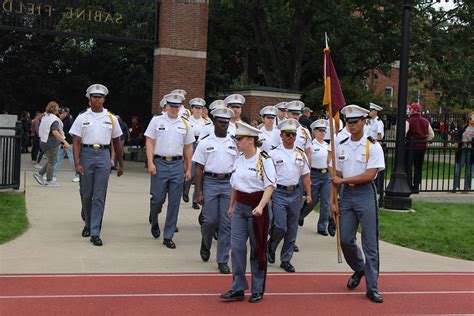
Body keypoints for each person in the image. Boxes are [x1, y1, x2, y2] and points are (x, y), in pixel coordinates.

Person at [330, 104, 385, 304]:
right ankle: (359, 268)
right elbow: (336, 174)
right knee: (345, 239)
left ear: (364, 122)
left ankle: (372, 287)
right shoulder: (342, 144)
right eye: (348, 122)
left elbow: (370, 174)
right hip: (346, 195)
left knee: (370, 243)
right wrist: (332, 199)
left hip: (365, 194)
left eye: (355, 122)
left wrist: (341, 182)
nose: (351, 126)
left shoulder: (373, 145)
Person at [220, 122, 276, 303]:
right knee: (236, 248)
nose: (237, 142)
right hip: (240, 207)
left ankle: (258, 289)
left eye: (240, 139)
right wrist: (231, 205)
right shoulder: (239, 159)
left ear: (251, 140)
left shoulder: (264, 159)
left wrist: (260, 206)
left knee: (257, 248)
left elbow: (269, 186)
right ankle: (238, 287)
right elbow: (235, 185)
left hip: (257, 208)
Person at [69, 84, 124, 246]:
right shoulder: (82, 117)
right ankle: (87, 223)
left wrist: (121, 164)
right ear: (89, 99)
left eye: (100, 97)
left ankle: (95, 231)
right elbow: (76, 142)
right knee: (86, 195)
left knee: (99, 195)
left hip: (103, 156)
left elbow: (117, 142)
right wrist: (77, 163)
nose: (97, 99)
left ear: (104, 99)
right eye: (94, 97)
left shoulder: (111, 118)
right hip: (86, 155)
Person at [145, 93, 194, 249]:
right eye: (171, 106)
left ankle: (168, 235)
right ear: (165, 106)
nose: (174, 109)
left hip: (177, 165)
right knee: (157, 199)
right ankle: (154, 218)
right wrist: (150, 162)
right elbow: (150, 141)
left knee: (174, 202)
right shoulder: (157, 121)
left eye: (177, 106)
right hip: (160, 162)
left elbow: (188, 147)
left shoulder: (185, 124)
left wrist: (188, 168)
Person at [193, 107, 237, 274]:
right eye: (221, 122)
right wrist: (198, 192)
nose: (224, 125)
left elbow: (238, 166)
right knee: (209, 220)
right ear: (214, 122)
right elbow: (198, 168)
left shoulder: (234, 142)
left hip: (228, 183)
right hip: (210, 181)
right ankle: (206, 242)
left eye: (226, 122)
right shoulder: (205, 142)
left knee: (227, 223)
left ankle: (222, 259)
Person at [268, 119, 311, 273]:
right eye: (288, 134)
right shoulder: (273, 154)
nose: (291, 137)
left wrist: (309, 194)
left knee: (292, 228)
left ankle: (286, 259)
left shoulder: (300, 154)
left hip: (295, 193)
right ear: (281, 135)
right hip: (278, 192)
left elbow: (306, 175)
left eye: (293, 134)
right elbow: (267, 176)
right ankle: (271, 246)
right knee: (280, 225)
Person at [299, 119, 333, 236]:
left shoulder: (327, 145)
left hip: (326, 175)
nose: (323, 133)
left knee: (325, 201)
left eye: (324, 130)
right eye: (320, 130)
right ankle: (300, 215)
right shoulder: (312, 145)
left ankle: (322, 226)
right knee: (311, 201)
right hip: (314, 174)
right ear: (314, 131)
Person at [33, 102, 69, 187]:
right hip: (51, 143)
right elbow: (55, 132)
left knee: (51, 161)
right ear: (56, 109)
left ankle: (39, 174)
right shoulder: (54, 120)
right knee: (52, 162)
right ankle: (49, 180)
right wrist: (64, 141)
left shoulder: (45, 117)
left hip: (43, 142)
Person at [183, 98, 210, 209]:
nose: (198, 110)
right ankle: (185, 189)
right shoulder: (187, 121)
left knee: (200, 175)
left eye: (200, 108)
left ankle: (195, 200)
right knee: (192, 173)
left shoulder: (207, 122)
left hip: (202, 147)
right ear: (192, 109)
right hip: (191, 146)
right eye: (196, 108)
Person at [405, 103, 434, 193]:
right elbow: (432, 135)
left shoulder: (409, 121)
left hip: (411, 146)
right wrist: (425, 141)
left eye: (410, 109)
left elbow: (403, 133)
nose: (409, 111)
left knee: (408, 166)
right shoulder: (426, 121)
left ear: (413, 110)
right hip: (422, 147)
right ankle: (416, 186)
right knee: (418, 167)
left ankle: (409, 185)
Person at [52, 107, 79, 182]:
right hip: (64, 142)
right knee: (58, 159)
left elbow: (69, 133)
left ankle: (78, 175)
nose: (60, 114)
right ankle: (52, 175)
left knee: (72, 160)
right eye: (59, 113)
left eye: (61, 113)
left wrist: (64, 142)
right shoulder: (64, 119)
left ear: (66, 113)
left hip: (68, 142)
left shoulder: (68, 120)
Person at [452, 112, 474, 193]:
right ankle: (455, 186)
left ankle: (466, 188)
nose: (472, 119)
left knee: (469, 171)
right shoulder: (464, 127)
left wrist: (470, 141)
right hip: (463, 150)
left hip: (471, 152)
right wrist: (461, 140)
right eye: (471, 118)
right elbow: (457, 136)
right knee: (458, 169)